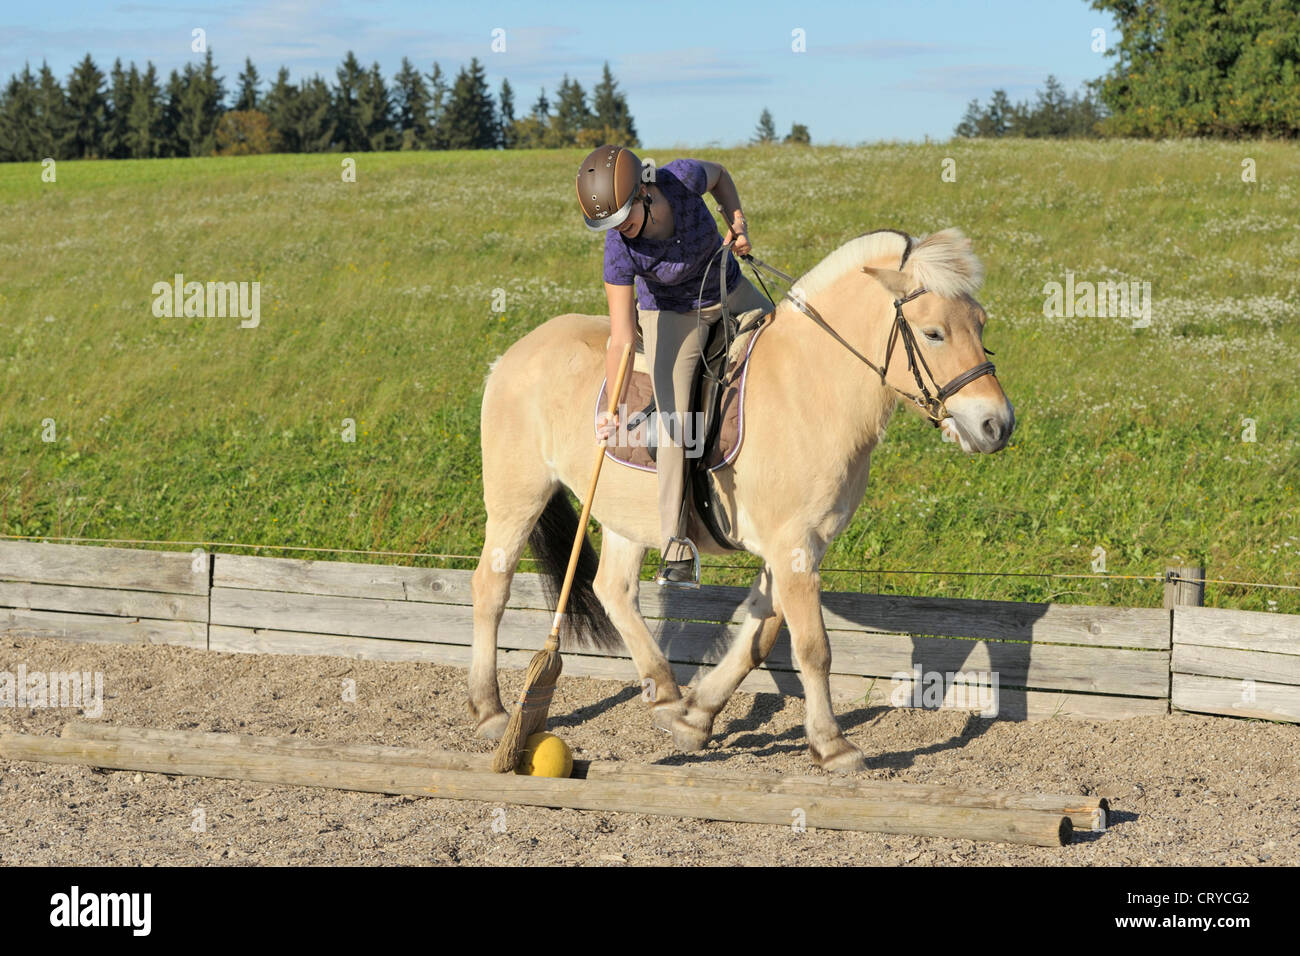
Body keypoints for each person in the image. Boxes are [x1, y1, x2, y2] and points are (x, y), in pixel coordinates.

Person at [576, 145, 773, 587]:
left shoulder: (682, 178)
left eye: (623, 216)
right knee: (673, 425)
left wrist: (736, 221)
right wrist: (613, 407)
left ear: (644, 192)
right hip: (672, 317)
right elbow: (623, 337)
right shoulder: (618, 249)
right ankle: (676, 548)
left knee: (791, 343)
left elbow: (720, 175)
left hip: (730, 289)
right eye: (609, 224)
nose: (620, 229)